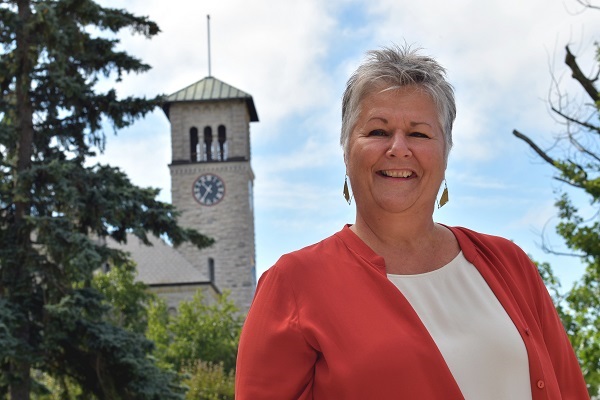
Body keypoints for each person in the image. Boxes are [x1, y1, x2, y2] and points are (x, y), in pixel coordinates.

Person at [235, 44, 589, 400]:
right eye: (378, 132)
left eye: (419, 134)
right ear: (345, 149)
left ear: (445, 153)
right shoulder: (294, 284)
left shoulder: (509, 264)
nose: (399, 148)